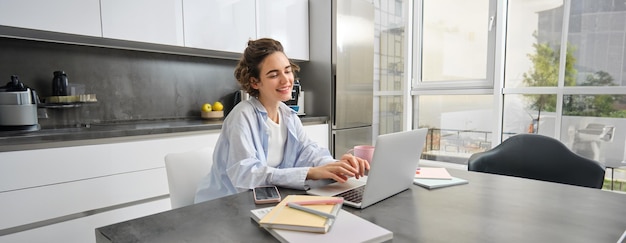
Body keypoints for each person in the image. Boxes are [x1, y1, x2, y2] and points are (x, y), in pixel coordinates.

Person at [194, 38, 370, 203]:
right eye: (273, 75)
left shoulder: (288, 116)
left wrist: (337, 166)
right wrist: (310, 173)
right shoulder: (242, 115)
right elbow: (246, 174)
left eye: (287, 70)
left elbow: (309, 152)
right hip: (225, 205)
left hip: (266, 200)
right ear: (255, 82)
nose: (286, 80)